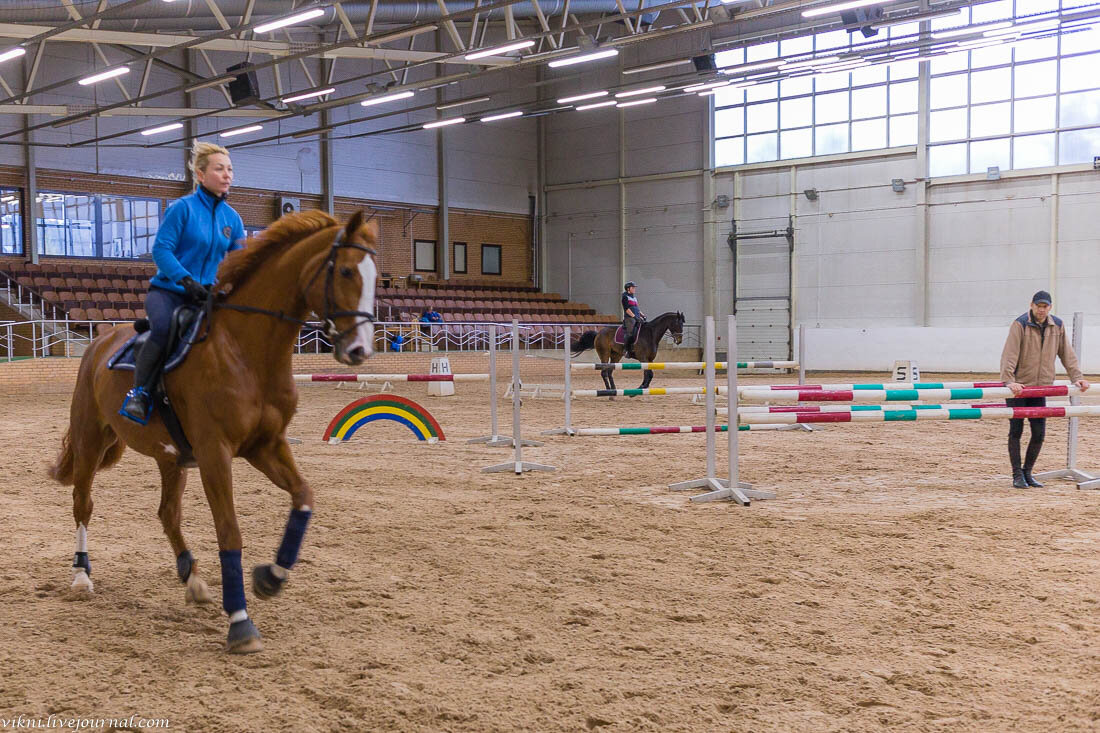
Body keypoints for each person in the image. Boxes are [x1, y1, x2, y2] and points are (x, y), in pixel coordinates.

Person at [119, 141, 246, 424]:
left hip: (208, 295)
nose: (227, 175)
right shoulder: (182, 209)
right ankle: (139, 394)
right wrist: (186, 280)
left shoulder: (232, 218)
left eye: (230, 169)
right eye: (219, 169)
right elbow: (161, 250)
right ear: (200, 175)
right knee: (163, 329)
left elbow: (239, 261)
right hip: (169, 292)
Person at [999, 290, 1090, 488]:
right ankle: (1016, 475)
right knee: (1016, 430)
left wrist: (1078, 377)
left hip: (1040, 388)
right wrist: (1009, 381)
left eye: (1045, 306)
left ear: (1050, 307)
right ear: (1031, 305)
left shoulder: (1056, 325)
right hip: (1019, 388)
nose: (1041, 309)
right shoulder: (1020, 324)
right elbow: (1010, 353)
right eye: (1038, 306)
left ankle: (1028, 472)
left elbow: (1067, 353)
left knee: (1039, 432)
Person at [621, 281, 645, 358]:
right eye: (633, 287)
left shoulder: (634, 298)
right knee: (630, 333)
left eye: (634, 288)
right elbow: (626, 309)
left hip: (636, 317)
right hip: (629, 318)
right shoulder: (625, 297)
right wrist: (634, 317)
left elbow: (637, 308)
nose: (634, 289)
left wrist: (642, 315)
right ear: (628, 289)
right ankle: (626, 350)